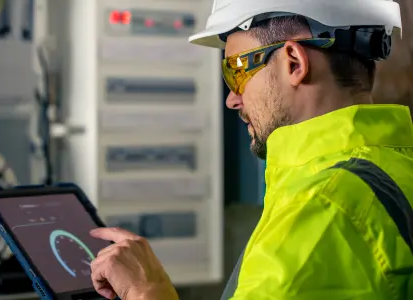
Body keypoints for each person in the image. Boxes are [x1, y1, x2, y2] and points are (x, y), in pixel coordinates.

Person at [89, 0, 413, 299]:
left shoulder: (321, 210)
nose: (232, 98)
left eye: (236, 71)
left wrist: (144, 291)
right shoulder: (394, 165)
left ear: (293, 62)